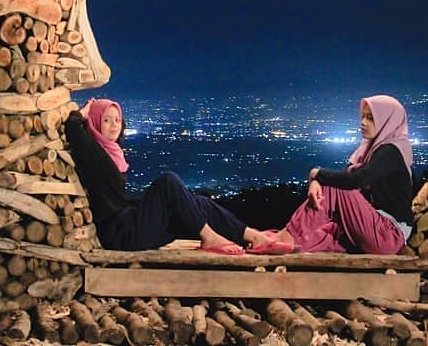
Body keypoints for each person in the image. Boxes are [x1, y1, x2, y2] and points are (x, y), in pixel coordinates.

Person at [62, 97, 273, 254]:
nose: (114, 124)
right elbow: (73, 129)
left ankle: (251, 235)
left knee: (197, 201)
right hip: (122, 235)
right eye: (106, 120)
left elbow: (116, 199)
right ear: (95, 123)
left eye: (117, 119)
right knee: (168, 182)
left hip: (131, 224)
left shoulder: (113, 153)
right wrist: (83, 112)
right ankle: (209, 238)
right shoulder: (95, 154)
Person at [249, 94, 414, 255]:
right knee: (322, 234)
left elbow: (353, 180)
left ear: (387, 121)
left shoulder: (392, 150)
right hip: (371, 228)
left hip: (389, 234)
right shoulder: (369, 150)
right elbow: (343, 177)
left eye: (371, 118)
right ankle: (275, 241)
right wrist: (316, 181)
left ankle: (284, 238)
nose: (363, 123)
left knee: (336, 187)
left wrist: (316, 174)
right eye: (362, 117)